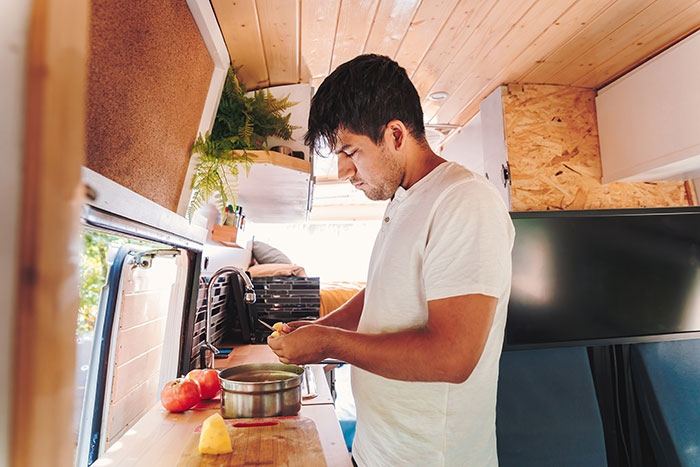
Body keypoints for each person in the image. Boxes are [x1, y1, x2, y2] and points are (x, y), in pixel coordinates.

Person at [267, 54, 515, 467]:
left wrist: (329, 344)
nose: (345, 170)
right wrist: (319, 326)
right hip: (377, 450)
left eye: (351, 151)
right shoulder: (405, 201)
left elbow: (452, 356)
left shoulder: (465, 202)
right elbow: (383, 293)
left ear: (396, 135)